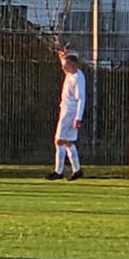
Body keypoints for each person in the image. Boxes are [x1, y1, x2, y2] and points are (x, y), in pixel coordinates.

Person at [47, 50, 86, 181]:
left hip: (70, 112)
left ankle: (58, 171)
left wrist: (78, 118)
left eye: (68, 63)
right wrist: (61, 57)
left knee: (59, 140)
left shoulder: (78, 78)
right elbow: (64, 67)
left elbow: (81, 98)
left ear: (74, 65)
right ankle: (77, 169)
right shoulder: (70, 74)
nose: (64, 66)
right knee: (68, 142)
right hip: (66, 111)